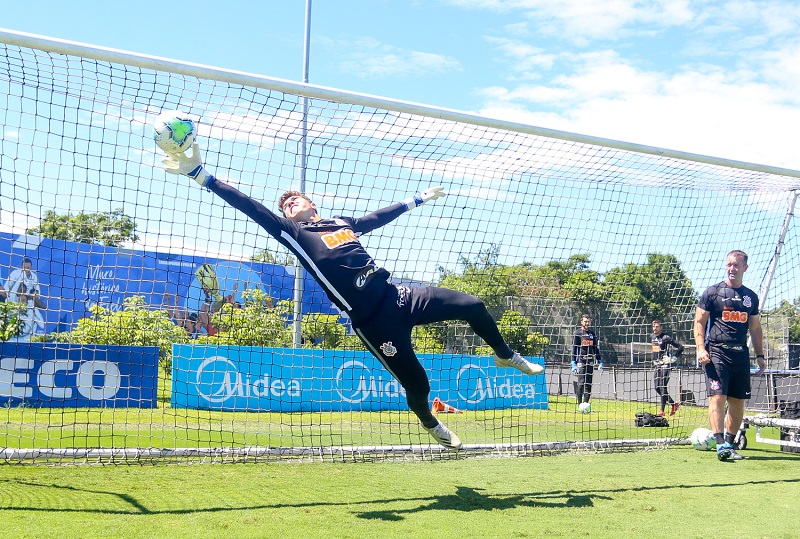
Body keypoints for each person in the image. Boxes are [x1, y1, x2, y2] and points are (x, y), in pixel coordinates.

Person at [162, 142, 544, 450]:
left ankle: (505, 355)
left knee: (473, 305)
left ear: (313, 203)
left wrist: (417, 199)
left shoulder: (342, 223)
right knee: (419, 386)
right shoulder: (294, 234)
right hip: (374, 322)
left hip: (399, 295)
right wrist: (202, 175)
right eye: (286, 206)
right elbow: (251, 207)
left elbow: (378, 217)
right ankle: (431, 423)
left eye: (295, 200)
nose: (289, 204)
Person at [694, 250, 766, 461]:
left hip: (740, 355)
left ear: (745, 268)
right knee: (717, 397)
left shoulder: (750, 297)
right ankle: (719, 445)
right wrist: (700, 348)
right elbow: (699, 322)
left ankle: (729, 443)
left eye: (736, 265)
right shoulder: (713, 293)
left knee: (737, 401)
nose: (732, 268)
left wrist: (760, 356)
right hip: (716, 353)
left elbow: (755, 328)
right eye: (729, 264)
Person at [650, 320, 684, 416]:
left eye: (657, 326)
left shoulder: (666, 338)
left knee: (662, 386)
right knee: (657, 388)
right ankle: (674, 404)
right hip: (657, 365)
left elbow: (681, 347)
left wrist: (673, 358)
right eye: (653, 326)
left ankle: (662, 410)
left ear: (661, 328)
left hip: (665, 365)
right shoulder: (652, 337)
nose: (655, 328)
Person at [571, 314, 603, 408]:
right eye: (585, 321)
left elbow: (595, 349)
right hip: (581, 361)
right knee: (581, 383)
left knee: (588, 383)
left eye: (588, 321)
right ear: (581, 322)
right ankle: (580, 404)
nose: (587, 323)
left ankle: (586, 404)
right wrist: (573, 363)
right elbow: (574, 349)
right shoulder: (577, 333)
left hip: (590, 362)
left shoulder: (592, 334)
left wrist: (600, 361)